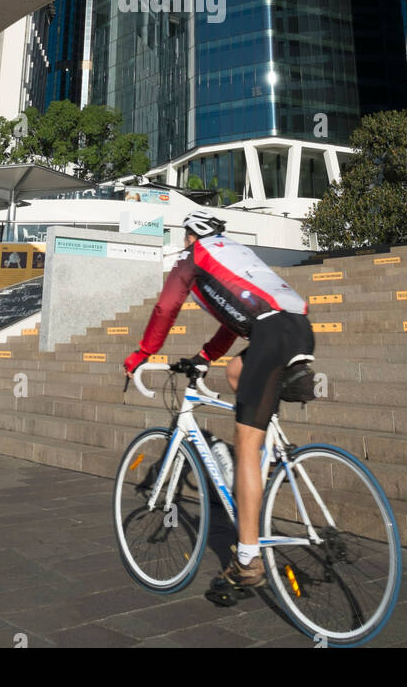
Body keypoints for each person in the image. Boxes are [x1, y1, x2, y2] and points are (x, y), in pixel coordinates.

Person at [124, 212, 313, 596]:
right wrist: (205, 356)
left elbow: (165, 308)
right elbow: (232, 317)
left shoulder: (193, 257)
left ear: (191, 235)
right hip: (298, 329)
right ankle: (271, 454)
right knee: (236, 372)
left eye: (185, 235)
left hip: (270, 333)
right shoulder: (234, 253)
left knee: (244, 447)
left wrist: (142, 353)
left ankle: (247, 560)